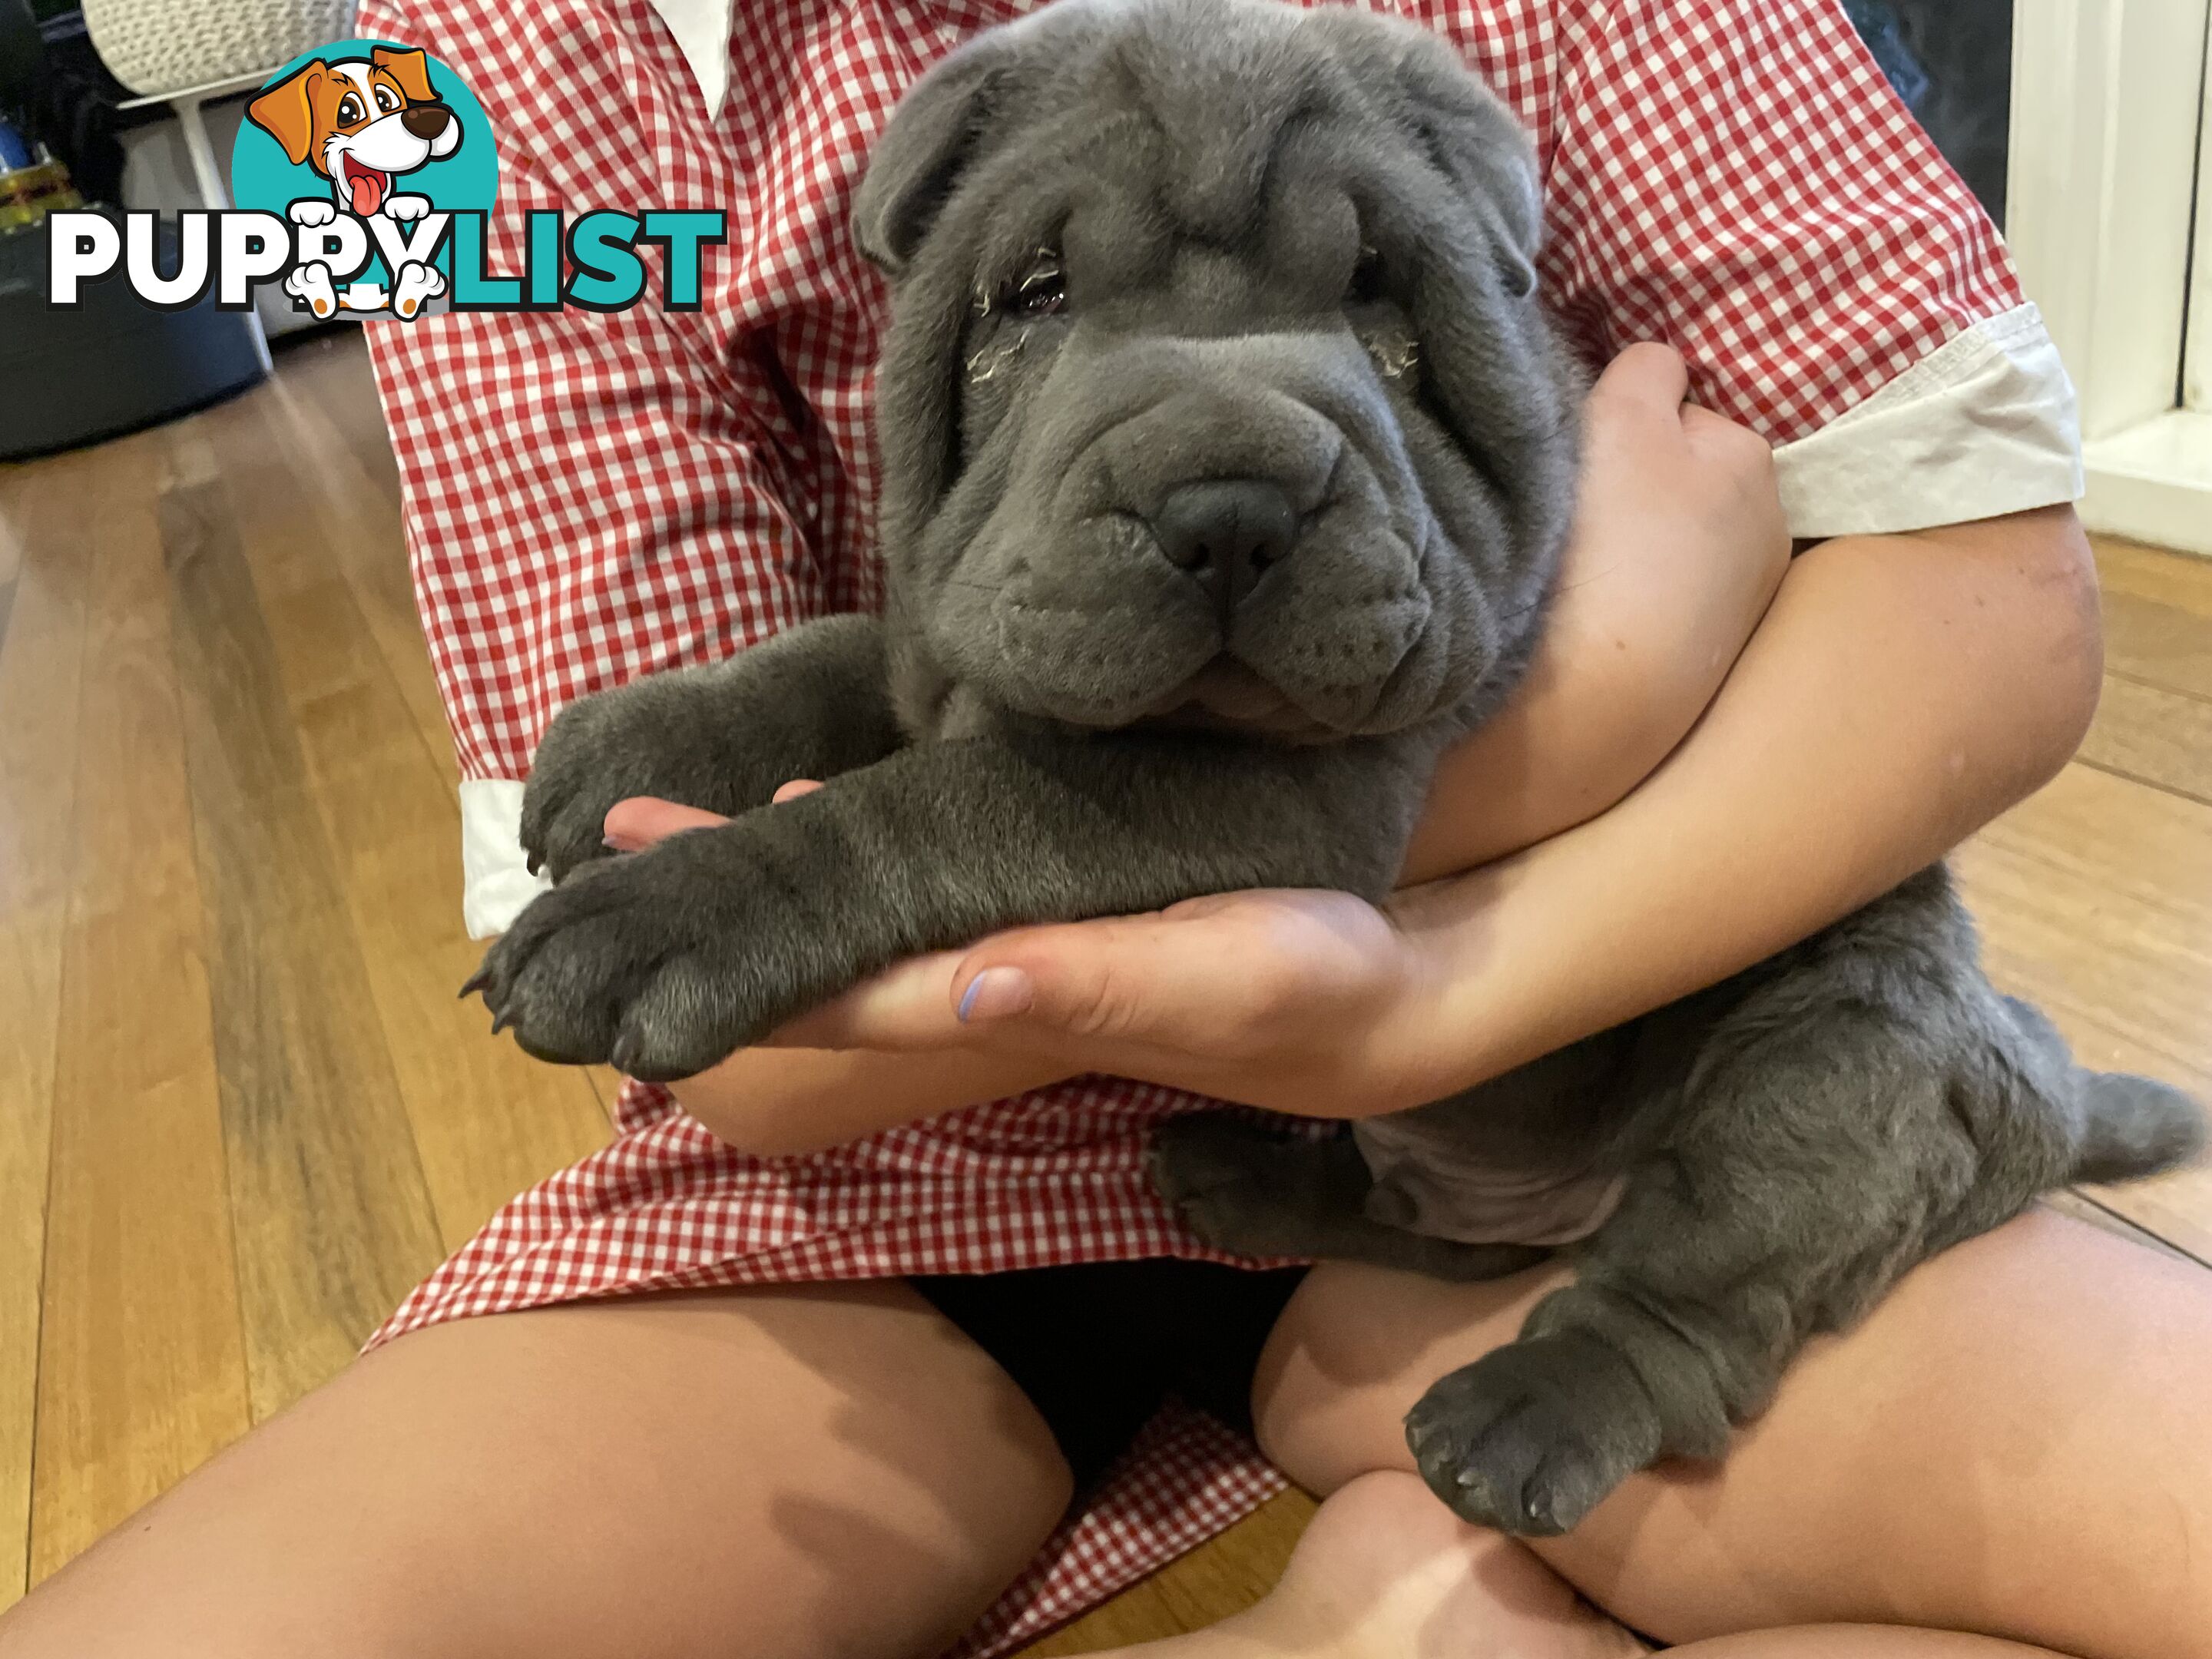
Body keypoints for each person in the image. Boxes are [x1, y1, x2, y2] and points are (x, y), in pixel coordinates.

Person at [5, 2, 2207, 1657]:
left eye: (1379, 299)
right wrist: (1607, 676)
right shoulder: (459, 72)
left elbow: (1990, 596)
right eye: (1043, 298)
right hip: (893, 1217)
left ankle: (1406, 1597)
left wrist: (1435, 1008)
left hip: (1602, 1131)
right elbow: (706, 1004)